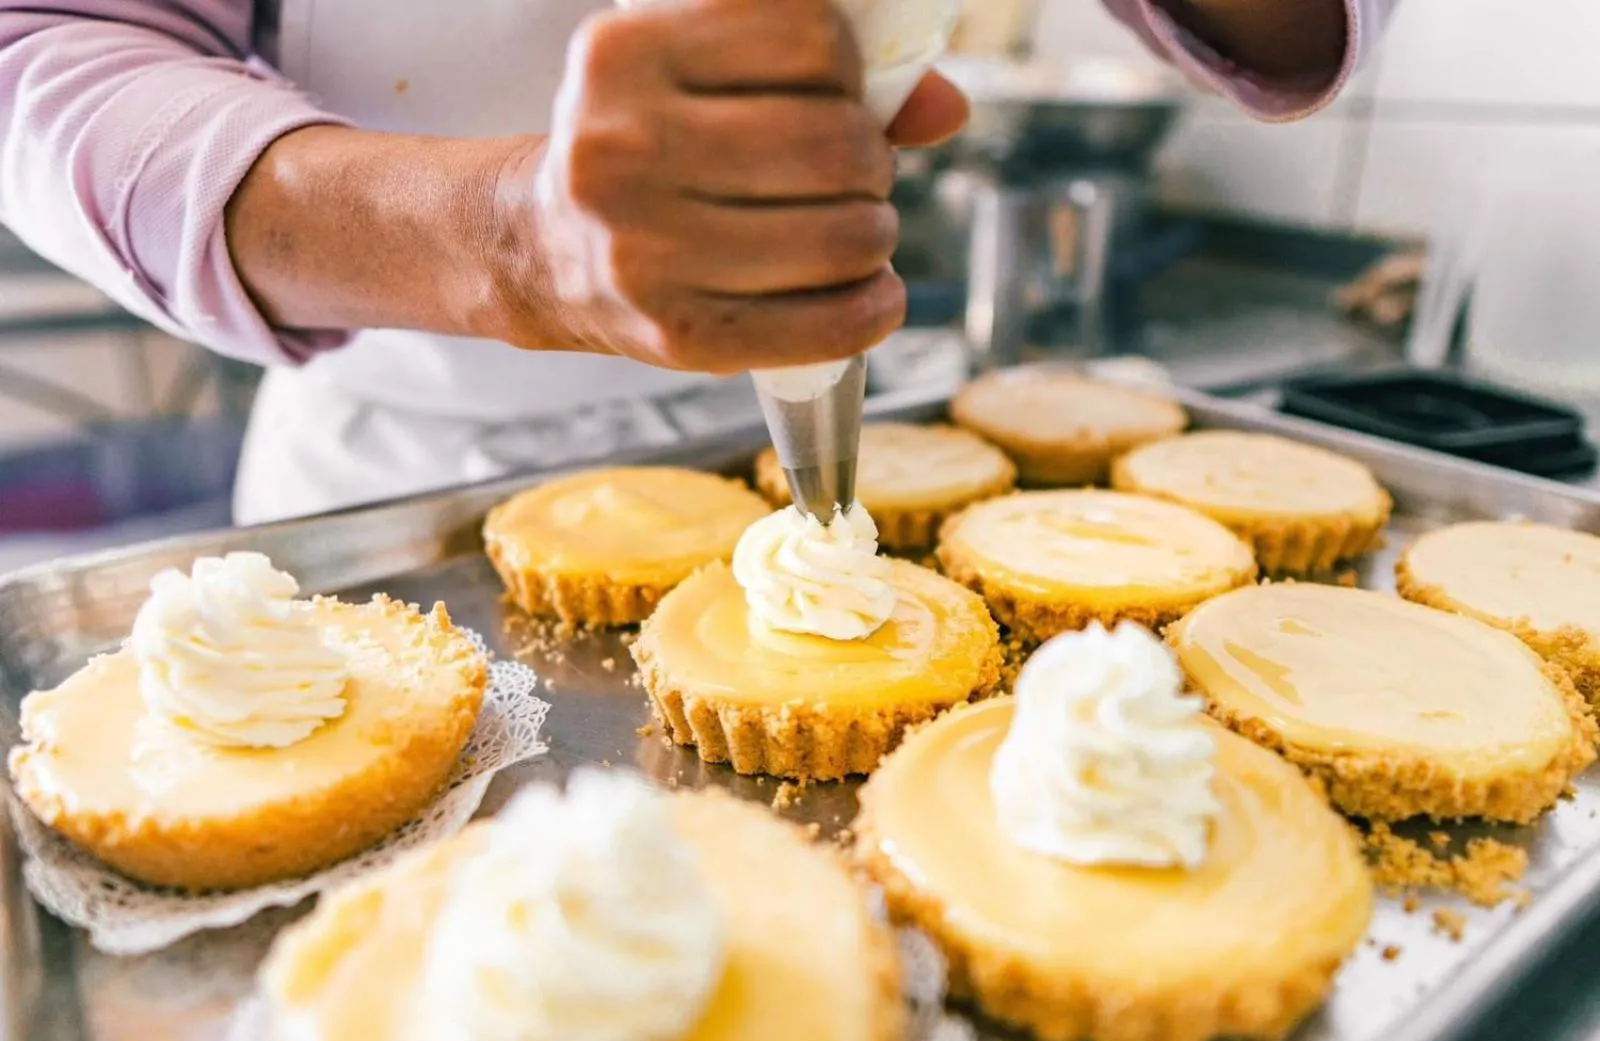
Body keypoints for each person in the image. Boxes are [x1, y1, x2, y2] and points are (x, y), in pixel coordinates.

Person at [0, 0, 1395, 525]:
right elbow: (44, 52)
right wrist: (508, 238)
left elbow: (1297, 27)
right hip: (410, 471)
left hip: (873, 454)